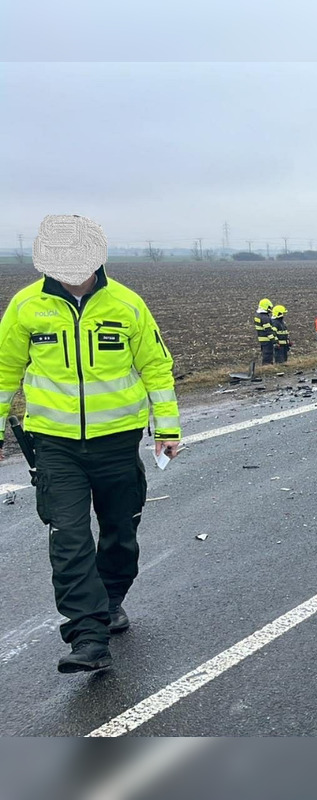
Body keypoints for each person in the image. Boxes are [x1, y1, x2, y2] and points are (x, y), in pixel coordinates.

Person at [0, 214, 180, 673]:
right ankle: (87, 634)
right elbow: (4, 374)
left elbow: (157, 369)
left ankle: (111, 599)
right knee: (69, 540)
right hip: (56, 448)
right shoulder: (25, 308)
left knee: (121, 536)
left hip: (118, 445)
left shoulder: (128, 306)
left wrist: (168, 429)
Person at [254, 297, 276, 365]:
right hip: (267, 339)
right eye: (269, 307)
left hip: (261, 338)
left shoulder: (258, 316)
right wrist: (274, 340)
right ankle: (267, 366)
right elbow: (268, 331)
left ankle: (266, 366)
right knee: (268, 354)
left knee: (265, 353)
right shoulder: (265, 318)